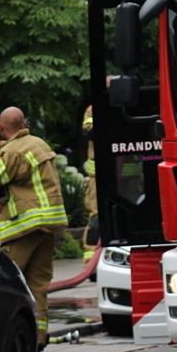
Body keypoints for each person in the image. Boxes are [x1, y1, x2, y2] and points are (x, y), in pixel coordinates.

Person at [0, 107, 68, 351]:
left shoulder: (14, 150)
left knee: (7, 282)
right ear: (24, 123)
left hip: (23, 227)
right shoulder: (38, 143)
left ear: (1, 127)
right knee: (37, 286)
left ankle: (4, 342)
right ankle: (37, 339)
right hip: (47, 227)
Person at [81, 105, 99, 268]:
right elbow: (88, 131)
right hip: (99, 176)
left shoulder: (132, 105)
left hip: (130, 177)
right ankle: (90, 262)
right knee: (97, 218)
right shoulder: (93, 109)